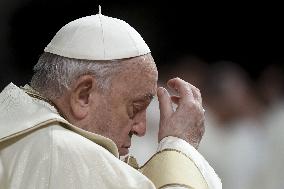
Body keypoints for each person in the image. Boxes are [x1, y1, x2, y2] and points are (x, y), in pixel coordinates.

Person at [0, 9, 221, 189]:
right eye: (135, 108)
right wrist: (181, 146)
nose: (142, 128)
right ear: (83, 95)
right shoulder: (67, 155)